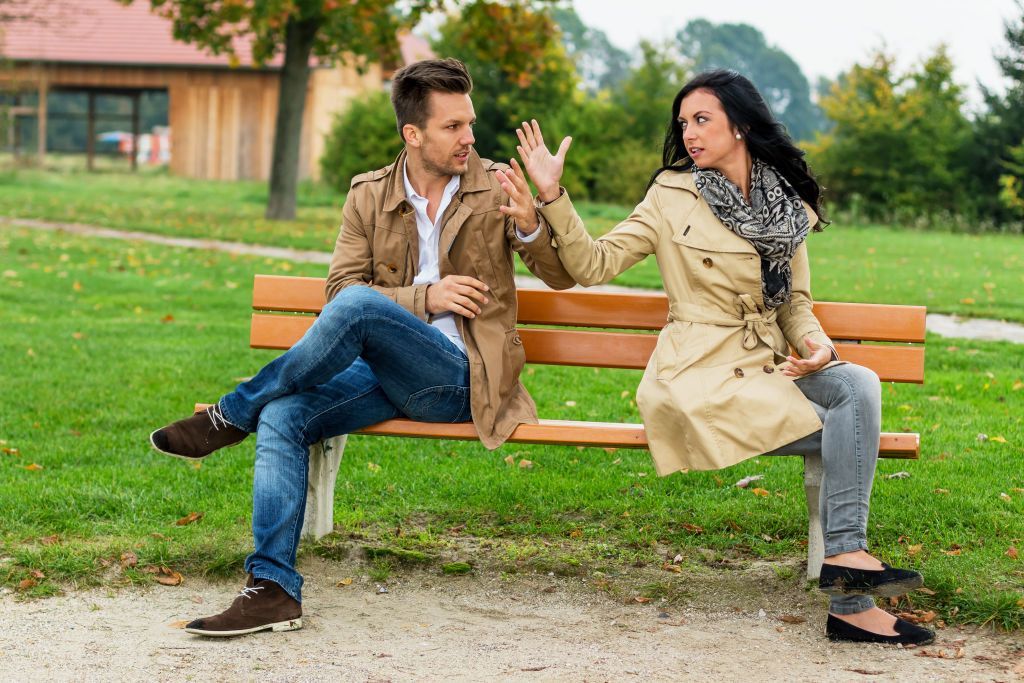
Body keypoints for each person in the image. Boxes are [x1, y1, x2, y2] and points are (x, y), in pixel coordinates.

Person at [499, 69, 934, 646]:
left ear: (741, 126)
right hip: (697, 374)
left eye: (702, 120)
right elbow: (592, 264)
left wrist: (816, 347)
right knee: (846, 426)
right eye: (684, 123)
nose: (689, 134)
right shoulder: (671, 194)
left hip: (763, 366)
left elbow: (793, 303)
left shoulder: (783, 203)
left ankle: (846, 564)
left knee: (856, 385)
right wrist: (552, 195)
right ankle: (851, 602)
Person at [149, 58, 575, 637]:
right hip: (382, 373)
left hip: (461, 378)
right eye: (453, 126)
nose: (469, 138)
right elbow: (339, 291)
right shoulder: (369, 195)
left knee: (357, 307)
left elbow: (561, 276)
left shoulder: (495, 187)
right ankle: (272, 589)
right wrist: (426, 297)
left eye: (469, 124)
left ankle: (230, 414)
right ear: (413, 133)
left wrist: (534, 220)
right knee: (284, 414)